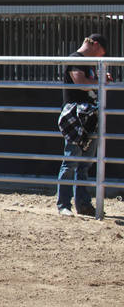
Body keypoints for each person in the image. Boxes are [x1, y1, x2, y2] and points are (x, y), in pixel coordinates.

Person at [56, 33, 110, 216]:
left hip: (89, 116)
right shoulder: (75, 59)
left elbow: (89, 83)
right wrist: (99, 81)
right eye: (100, 53)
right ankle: (64, 204)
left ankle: (83, 204)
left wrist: (99, 79)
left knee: (84, 163)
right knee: (71, 160)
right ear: (94, 45)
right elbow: (81, 83)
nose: (99, 57)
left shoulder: (89, 63)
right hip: (77, 116)